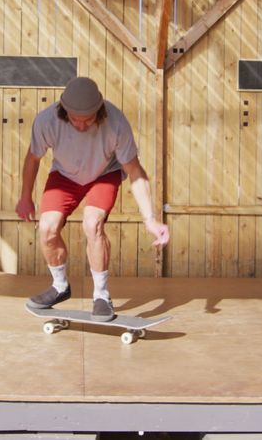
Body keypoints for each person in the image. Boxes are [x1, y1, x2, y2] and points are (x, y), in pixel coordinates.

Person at [16, 77, 169, 322]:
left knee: (92, 224)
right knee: (46, 228)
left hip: (104, 173)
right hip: (64, 174)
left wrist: (150, 219)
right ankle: (59, 286)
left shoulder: (116, 123)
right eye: (75, 120)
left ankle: (101, 295)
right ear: (64, 112)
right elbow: (32, 159)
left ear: (99, 112)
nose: (81, 126)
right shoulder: (47, 121)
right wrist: (25, 197)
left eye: (87, 120)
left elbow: (135, 172)